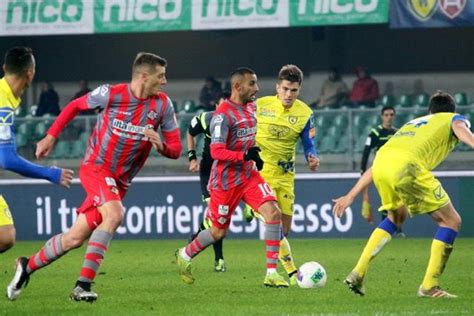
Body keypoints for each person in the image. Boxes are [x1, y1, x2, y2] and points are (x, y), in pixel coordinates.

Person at [7, 52, 182, 302]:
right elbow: (75, 105)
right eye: (161, 76)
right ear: (144, 76)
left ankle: (27, 266)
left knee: (74, 238)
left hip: (120, 182)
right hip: (96, 167)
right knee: (115, 214)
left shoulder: (163, 105)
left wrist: (162, 146)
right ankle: (82, 286)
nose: (165, 81)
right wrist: (50, 136)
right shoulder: (111, 94)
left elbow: (175, 149)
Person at [332, 91, 473, 298]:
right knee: (451, 221)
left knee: (396, 216)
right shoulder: (452, 118)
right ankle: (429, 286)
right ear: (450, 111)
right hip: (407, 166)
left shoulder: (412, 125)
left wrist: (351, 195)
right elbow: (459, 127)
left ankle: (358, 272)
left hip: (381, 165)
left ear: (429, 111)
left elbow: (376, 165)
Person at [175, 67, 288, 287]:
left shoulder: (251, 108)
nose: (256, 88)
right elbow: (217, 152)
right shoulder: (222, 115)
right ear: (237, 86)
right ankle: (185, 254)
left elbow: (246, 138)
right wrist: (244, 154)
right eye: (252, 83)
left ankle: (272, 273)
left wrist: (254, 155)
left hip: (248, 175)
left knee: (273, 212)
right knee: (218, 231)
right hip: (225, 181)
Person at [244, 65, 319, 285]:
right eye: (285, 89)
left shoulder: (305, 113)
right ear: (277, 87)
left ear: (299, 90)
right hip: (259, 175)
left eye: (293, 90)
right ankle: (292, 273)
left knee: (284, 231)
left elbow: (308, 143)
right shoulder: (259, 106)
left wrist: (312, 157)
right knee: (273, 221)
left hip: (286, 176)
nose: (288, 95)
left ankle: (250, 210)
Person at [0, 47, 73, 263]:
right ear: (30, 73)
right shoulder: (3, 102)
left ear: (5, 68)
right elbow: (7, 159)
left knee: (5, 237)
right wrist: (51, 173)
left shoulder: (8, 98)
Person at [187, 91, 231, 272]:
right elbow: (190, 132)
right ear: (216, 107)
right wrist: (192, 158)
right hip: (208, 173)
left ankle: (191, 244)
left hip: (227, 175)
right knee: (217, 218)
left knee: (216, 219)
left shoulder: (235, 124)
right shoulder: (206, 119)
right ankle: (219, 259)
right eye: (221, 106)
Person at [359, 106, 399, 228]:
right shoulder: (375, 133)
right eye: (386, 115)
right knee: (387, 198)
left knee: (396, 199)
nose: (389, 118)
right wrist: (363, 171)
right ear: (382, 116)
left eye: (391, 115)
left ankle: (392, 226)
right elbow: (366, 152)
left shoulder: (397, 133)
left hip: (395, 170)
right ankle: (389, 227)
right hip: (381, 171)